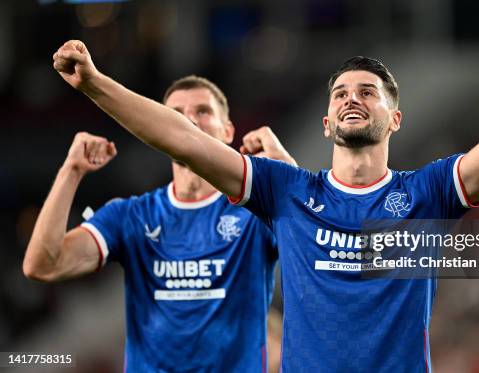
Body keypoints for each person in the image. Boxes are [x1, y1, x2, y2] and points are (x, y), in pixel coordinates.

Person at [51, 26, 479, 371]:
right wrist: (96, 84)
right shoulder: (286, 191)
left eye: (368, 92)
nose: (352, 99)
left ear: (395, 118)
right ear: (327, 120)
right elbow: (180, 139)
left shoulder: (425, 193)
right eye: (340, 93)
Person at [23, 75, 295, 372]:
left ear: (228, 130)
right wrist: (70, 172)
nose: (188, 122)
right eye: (174, 116)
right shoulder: (131, 215)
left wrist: (284, 167)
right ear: (158, 130)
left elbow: (315, 237)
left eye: (202, 111)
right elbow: (43, 265)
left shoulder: (256, 212)